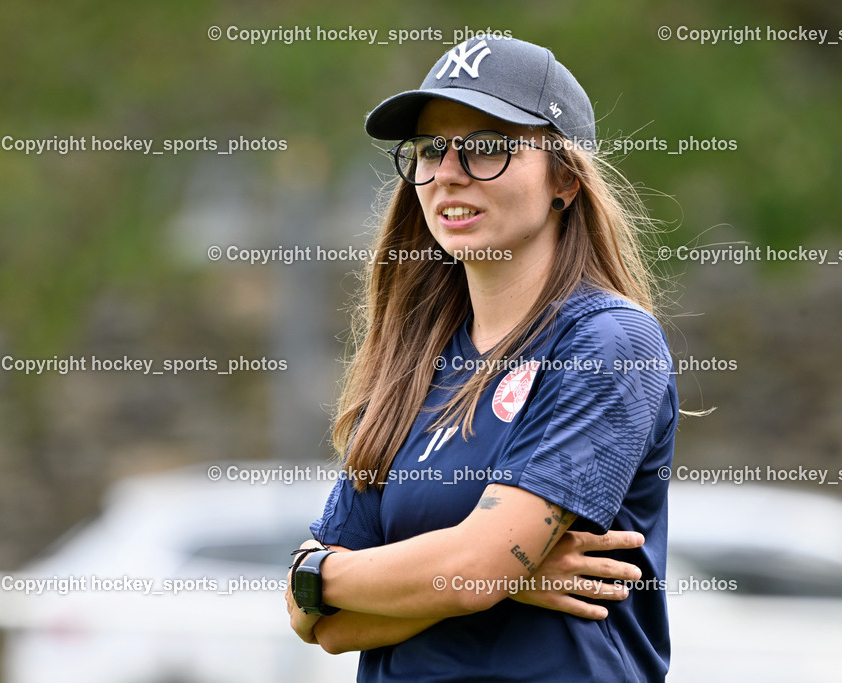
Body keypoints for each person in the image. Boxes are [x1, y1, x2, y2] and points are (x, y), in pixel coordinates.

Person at [285, 35, 678, 682]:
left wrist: (326, 575)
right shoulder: (416, 361)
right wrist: (498, 577)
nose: (448, 172)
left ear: (565, 178)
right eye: (430, 149)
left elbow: (477, 569)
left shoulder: (609, 342)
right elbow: (320, 625)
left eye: (488, 146)